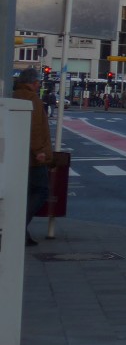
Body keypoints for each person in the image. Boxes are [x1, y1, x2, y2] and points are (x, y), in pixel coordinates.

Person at [13, 67, 54, 246]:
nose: (38, 86)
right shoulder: (32, 99)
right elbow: (35, 128)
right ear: (34, 83)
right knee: (41, 190)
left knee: (25, 192)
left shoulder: (13, 95)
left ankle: (21, 231)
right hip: (34, 157)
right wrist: (40, 152)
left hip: (19, 155)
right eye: (38, 83)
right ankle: (18, 226)